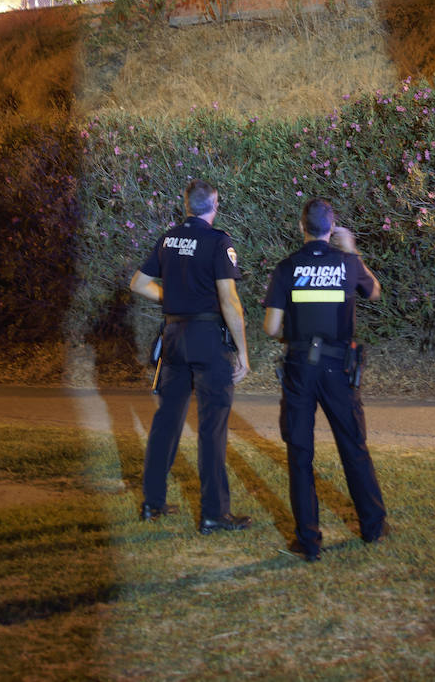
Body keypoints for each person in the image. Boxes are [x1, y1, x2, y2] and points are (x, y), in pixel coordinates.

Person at [263, 196, 388, 561]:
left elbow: (271, 327)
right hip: (338, 368)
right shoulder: (348, 263)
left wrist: (295, 329)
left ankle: (308, 541)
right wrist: (352, 249)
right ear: (331, 228)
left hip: (300, 367)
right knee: (353, 447)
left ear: (301, 227)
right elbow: (375, 292)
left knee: (300, 453)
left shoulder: (287, 268)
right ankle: (373, 528)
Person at [130, 178, 252, 533]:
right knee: (212, 427)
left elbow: (138, 283)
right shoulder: (218, 242)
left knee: (166, 422)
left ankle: (152, 503)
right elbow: (229, 300)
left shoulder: (169, 239)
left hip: (173, 338)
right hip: (207, 338)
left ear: (186, 205)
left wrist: (171, 299)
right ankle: (214, 513)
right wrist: (243, 351)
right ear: (215, 204)